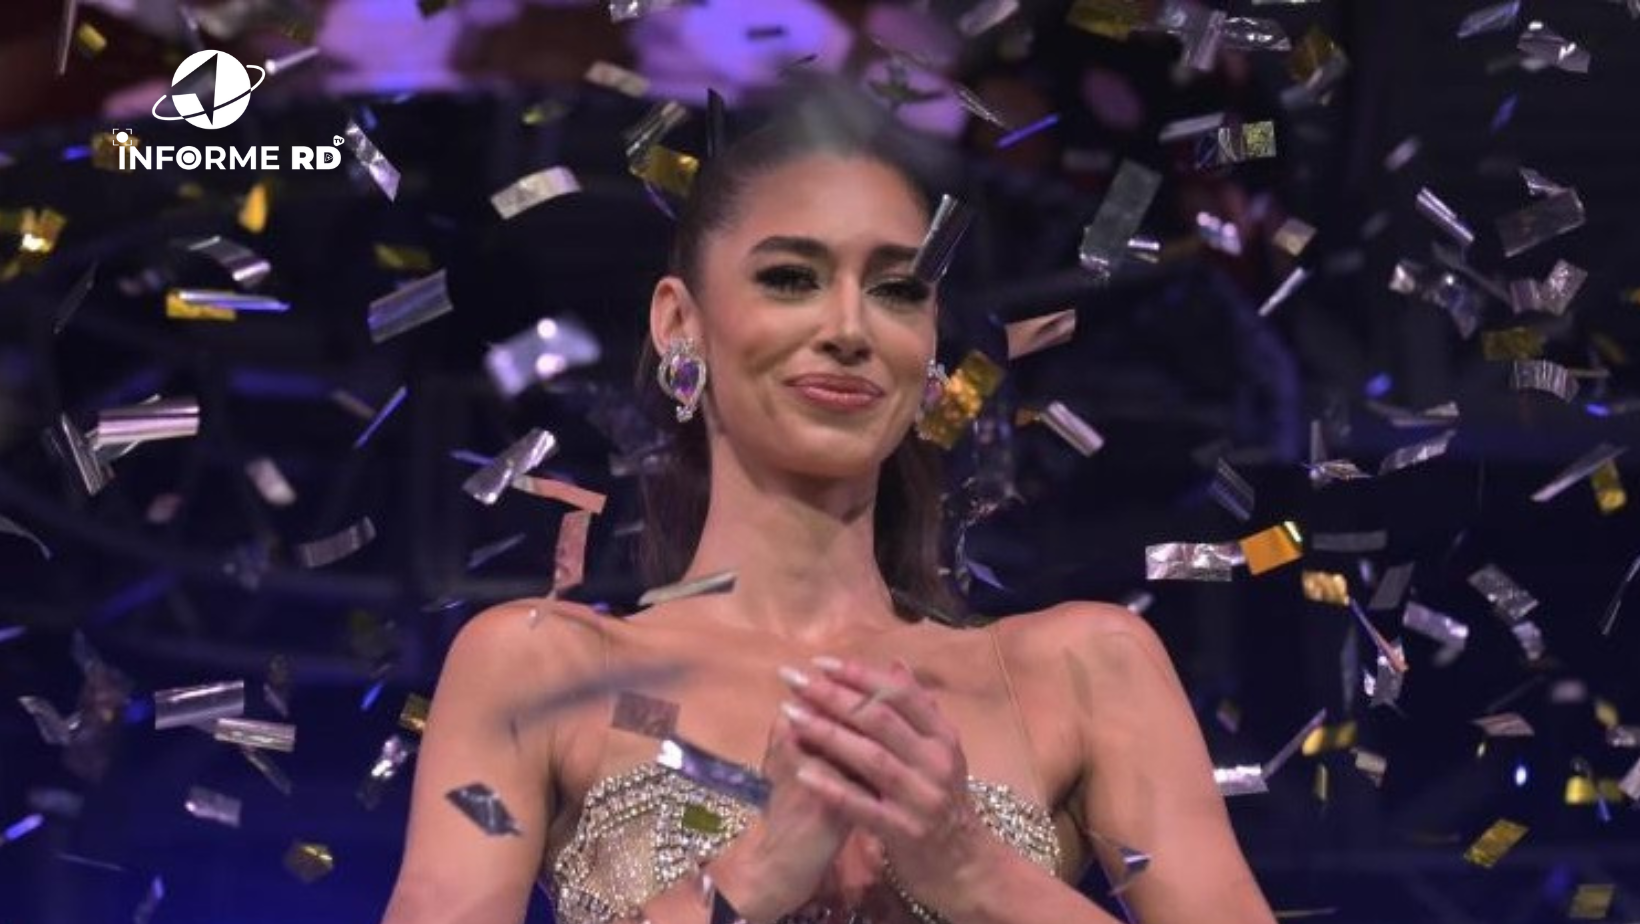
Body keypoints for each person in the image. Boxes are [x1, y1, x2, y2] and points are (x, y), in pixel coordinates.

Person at [380, 90, 1277, 924]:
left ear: (930, 346)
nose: (849, 328)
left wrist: (976, 871)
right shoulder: (540, 668)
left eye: (897, 289)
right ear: (680, 324)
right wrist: (752, 872)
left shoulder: (1083, 670)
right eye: (790, 278)